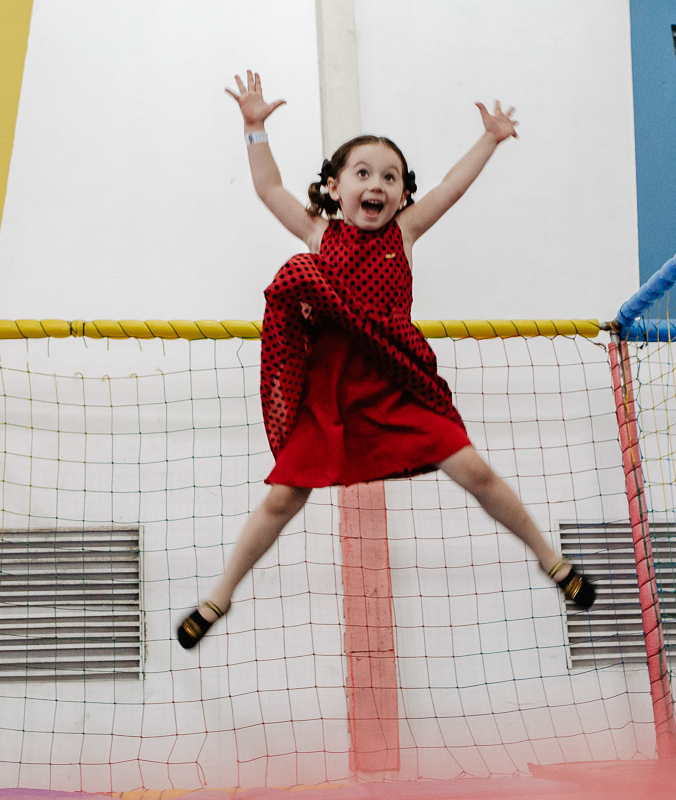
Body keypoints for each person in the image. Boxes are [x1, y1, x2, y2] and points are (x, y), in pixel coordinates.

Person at [177, 71, 595, 649]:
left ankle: (553, 561)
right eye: (364, 174)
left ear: (401, 196)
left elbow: (452, 185)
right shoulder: (318, 234)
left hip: (396, 377)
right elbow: (269, 188)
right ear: (334, 187)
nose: (377, 185)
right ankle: (218, 596)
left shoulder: (405, 232)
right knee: (283, 496)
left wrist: (490, 140)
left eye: (390, 178)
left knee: (473, 469)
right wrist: (254, 129)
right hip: (332, 385)